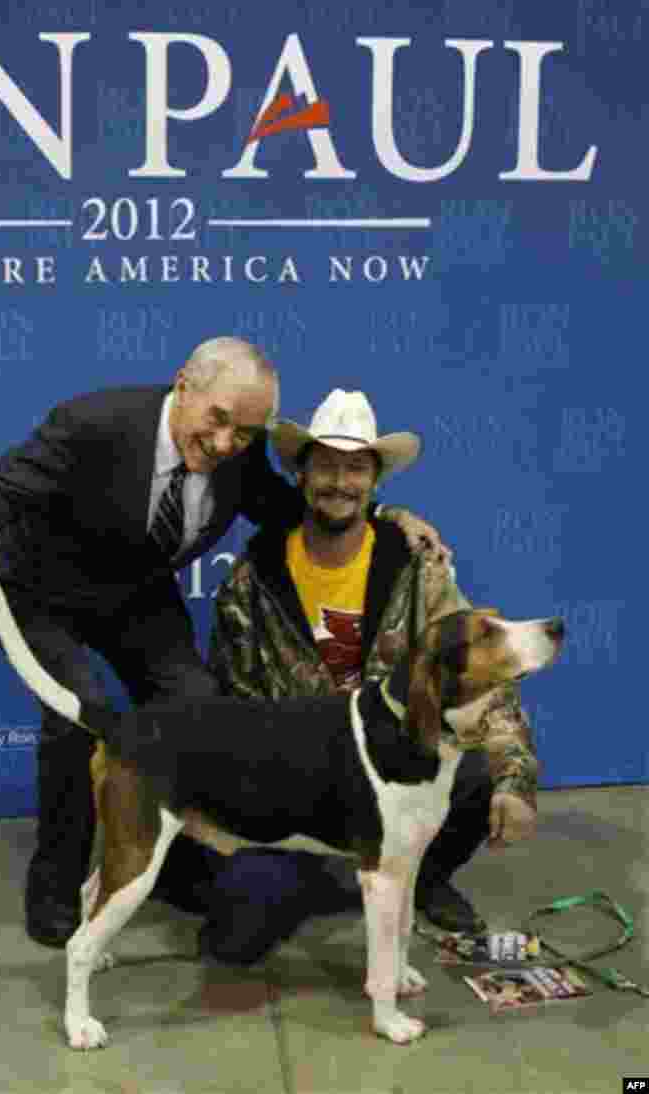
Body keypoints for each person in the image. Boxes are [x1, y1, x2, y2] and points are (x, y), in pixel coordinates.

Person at [0, 343, 442, 947]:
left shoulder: (242, 450)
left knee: (197, 703)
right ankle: (57, 884)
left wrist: (386, 516)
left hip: (134, 596)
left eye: (246, 432)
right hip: (42, 593)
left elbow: (293, 506)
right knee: (77, 717)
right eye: (219, 419)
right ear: (184, 385)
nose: (227, 442)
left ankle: (168, 862)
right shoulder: (94, 422)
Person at [202, 388, 539, 964]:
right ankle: (349, 877)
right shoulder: (251, 581)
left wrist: (516, 781)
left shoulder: (418, 567)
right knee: (234, 938)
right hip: (300, 801)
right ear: (301, 474)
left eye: (355, 468)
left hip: (400, 779)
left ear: (375, 481)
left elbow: (486, 680)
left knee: (478, 772)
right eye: (326, 466)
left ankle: (419, 876)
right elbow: (237, 710)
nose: (340, 482)